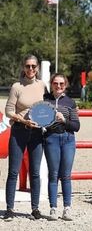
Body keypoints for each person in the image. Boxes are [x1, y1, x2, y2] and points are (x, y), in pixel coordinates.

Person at [4, 54, 46, 221]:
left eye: (33, 66)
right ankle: (9, 208)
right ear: (23, 67)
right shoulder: (17, 87)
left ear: (37, 68)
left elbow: (48, 106)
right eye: (28, 66)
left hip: (36, 133)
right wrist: (23, 120)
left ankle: (35, 208)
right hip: (19, 131)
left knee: (35, 172)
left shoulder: (43, 86)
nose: (30, 69)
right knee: (13, 171)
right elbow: (9, 111)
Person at [43, 73, 80, 221]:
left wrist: (64, 119)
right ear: (51, 85)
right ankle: (53, 208)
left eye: (61, 84)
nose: (58, 86)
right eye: (55, 83)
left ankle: (67, 208)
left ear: (66, 85)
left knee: (66, 175)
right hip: (51, 138)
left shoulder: (70, 102)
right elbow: (39, 119)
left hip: (68, 139)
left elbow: (76, 126)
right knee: (53, 175)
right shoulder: (45, 100)